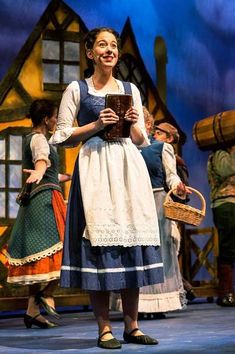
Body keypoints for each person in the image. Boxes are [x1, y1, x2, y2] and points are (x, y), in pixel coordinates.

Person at [49, 27, 163, 349]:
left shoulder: (130, 89)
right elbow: (60, 136)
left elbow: (142, 139)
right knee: (99, 247)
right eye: (102, 45)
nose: (109, 50)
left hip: (127, 167)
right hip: (94, 168)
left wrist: (130, 122)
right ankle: (104, 329)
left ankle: (133, 325)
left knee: (131, 243)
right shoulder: (78, 88)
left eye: (113, 45)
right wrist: (97, 124)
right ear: (90, 52)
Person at [6, 99, 70, 328]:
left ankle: (32, 310)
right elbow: (41, 160)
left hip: (42, 197)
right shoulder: (39, 139)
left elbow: (49, 171)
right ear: (46, 119)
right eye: (54, 117)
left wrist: (68, 177)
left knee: (42, 254)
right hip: (45, 203)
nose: (56, 121)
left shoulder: (34, 139)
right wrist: (41, 169)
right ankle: (47, 293)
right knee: (66, 248)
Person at [135, 110, 188, 317]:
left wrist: (178, 188)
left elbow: (171, 176)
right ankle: (137, 304)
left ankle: (158, 303)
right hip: (135, 203)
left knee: (159, 252)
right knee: (139, 252)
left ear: (147, 125)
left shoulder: (162, 147)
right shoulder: (129, 148)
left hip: (156, 202)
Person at [154, 122, 197, 301]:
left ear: (169, 138)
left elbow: (178, 181)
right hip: (158, 205)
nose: (155, 135)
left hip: (168, 207)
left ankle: (179, 287)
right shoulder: (154, 151)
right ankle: (183, 286)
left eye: (159, 133)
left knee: (169, 247)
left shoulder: (173, 157)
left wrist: (177, 194)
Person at [207, 144, 235, 306]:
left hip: (232, 203)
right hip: (225, 204)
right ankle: (226, 292)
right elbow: (226, 169)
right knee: (228, 247)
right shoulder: (219, 153)